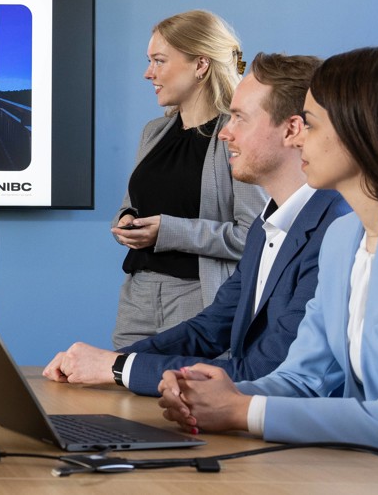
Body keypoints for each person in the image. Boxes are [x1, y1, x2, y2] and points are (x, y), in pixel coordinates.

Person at [157, 45, 378, 484]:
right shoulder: (342, 238)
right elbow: (303, 379)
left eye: (311, 123)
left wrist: (242, 410)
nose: (298, 138)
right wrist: (211, 395)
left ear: (363, 129)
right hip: (361, 475)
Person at [43, 53, 349, 396]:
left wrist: (116, 367)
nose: (225, 133)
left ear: (291, 129)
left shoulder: (336, 231)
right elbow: (210, 329)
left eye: (239, 119)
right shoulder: (268, 226)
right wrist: (110, 361)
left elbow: (264, 373)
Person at [111, 10, 267, 348]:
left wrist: (169, 231)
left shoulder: (235, 137)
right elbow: (132, 205)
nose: (148, 73)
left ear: (200, 64)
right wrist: (127, 221)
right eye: (149, 61)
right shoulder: (153, 133)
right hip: (137, 296)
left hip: (199, 298)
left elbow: (254, 236)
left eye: (159, 61)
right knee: (120, 380)